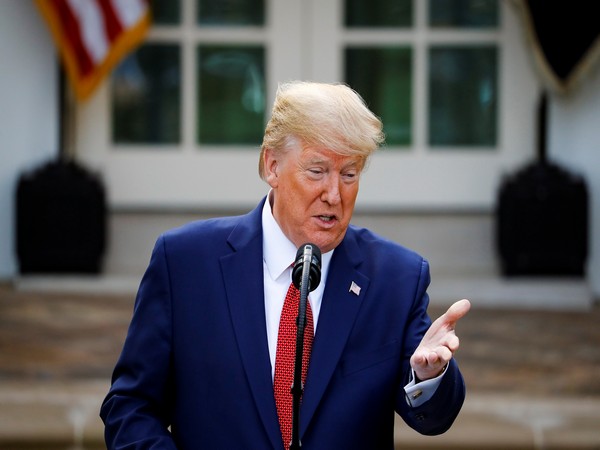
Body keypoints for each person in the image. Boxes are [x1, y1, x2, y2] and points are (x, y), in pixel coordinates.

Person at [100, 81, 471, 449]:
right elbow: (130, 408)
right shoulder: (185, 264)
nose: (333, 194)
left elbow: (434, 419)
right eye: (317, 171)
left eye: (349, 174)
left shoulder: (396, 277)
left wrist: (430, 375)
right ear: (272, 166)